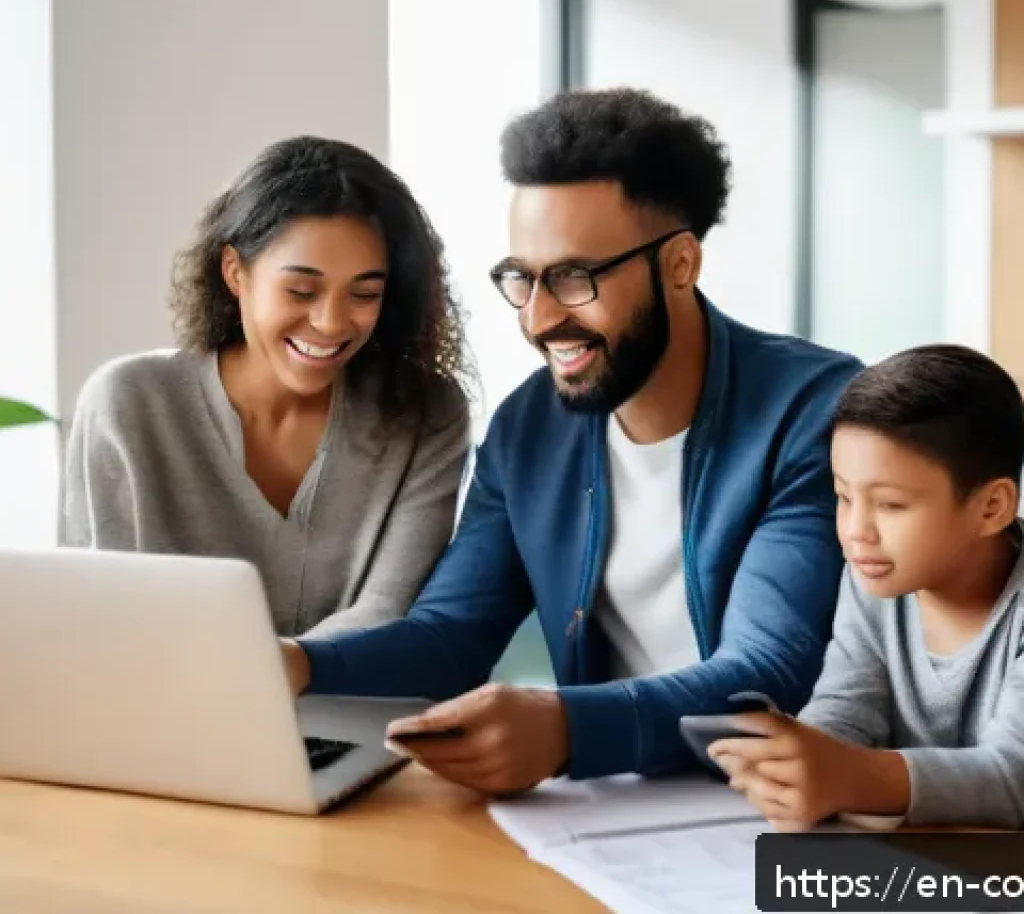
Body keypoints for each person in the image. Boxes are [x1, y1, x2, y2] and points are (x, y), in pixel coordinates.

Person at [282, 87, 862, 792]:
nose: (539, 318)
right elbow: (450, 636)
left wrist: (565, 730)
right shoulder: (528, 428)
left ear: (680, 264)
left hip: (779, 808)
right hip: (605, 811)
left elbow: (768, 672)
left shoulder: (814, 411)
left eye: (574, 277)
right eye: (522, 279)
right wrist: (296, 663)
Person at [61, 136, 472, 638]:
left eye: (365, 293)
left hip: (358, 693)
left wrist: (267, 670)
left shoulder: (426, 412)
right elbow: (106, 620)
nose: (331, 322)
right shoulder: (128, 405)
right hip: (157, 691)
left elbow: (389, 614)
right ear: (235, 272)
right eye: (301, 290)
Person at [709, 345, 1024, 830]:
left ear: (992, 507)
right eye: (843, 496)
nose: (856, 531)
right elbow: (846, 708)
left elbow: (1014, 776)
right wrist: (797, 763)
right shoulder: (877, 575)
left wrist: (851, 777)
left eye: (891, 505)